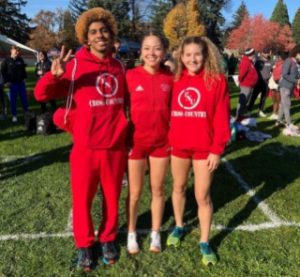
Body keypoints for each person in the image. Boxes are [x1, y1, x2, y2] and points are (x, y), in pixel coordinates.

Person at [34, 8, 128, 271]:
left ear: (111, 35)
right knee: (82, 201)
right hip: (86, 149)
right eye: (94, 32)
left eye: (104, 31)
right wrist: (53, 75)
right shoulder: (74, 66)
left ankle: (108, 239)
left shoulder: (120, 66)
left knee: (112, 198)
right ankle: (85, 245)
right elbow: (41, 96)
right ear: (86, 38)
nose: (100, 36)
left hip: (115, 148)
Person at [166, 36, 230, 266]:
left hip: (205, 149)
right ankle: (180, 225)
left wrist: (217, 149)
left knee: (202, 195)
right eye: (188, 54)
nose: (192, 59)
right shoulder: (174, 79)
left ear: (205, 55)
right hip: (179, 146)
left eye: (197, 54)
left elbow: (222, 118)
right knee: (178, 187)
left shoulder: (216, 81)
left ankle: (204, 241)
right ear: (181, 57)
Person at [126, 33, 173, 254]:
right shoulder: (130, 76)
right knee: (135, 192)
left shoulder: (170, 78)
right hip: (137, 143)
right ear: (141, 52)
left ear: (164, 52)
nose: (151, 53)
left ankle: (156, 233)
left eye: (156, 49)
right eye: (146, 48)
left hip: (161, 144)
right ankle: (131, 232)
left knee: (158, 189)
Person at [0, 45, 28, 122]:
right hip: (12, 83)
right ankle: (14, 115)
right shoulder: (6, 60)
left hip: (21, 82)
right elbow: (3, 72)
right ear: (11, 51)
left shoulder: (20, 59)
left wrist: (24, 78)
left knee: (24, 98)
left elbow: (23, 70)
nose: (17, 52)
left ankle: (26, 112)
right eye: (16, 51)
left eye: (18, 51)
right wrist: (6, 81)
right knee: (13, 100)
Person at [277, 45, 300, 131]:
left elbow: (295, 74)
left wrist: (297, 80)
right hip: (285, 86)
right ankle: (289, 123)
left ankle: (278, 121)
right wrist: (296, 81)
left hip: (290, 87)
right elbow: (284, 74)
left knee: (283, 105)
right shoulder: (288, 61)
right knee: (287, 104)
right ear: (297, 53)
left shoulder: (296, 63)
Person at [247, 48, 273, 117]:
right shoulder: (258, 61)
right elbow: (254, 71)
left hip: (266, 82)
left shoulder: (270, 61)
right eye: (265, 53)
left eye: (267, 53)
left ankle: (260, 110)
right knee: (253, 97)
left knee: (263, 97)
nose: (267, 54)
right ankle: (249, 111)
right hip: (258, 82)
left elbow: (272, 70)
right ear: (262, 53)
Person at [235, 48, 258, 121]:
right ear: (250, 54)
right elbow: (242, 74)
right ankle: (238, 116)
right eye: (253, 54)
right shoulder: (246, 62)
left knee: (245, 101)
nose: (254, 55)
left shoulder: (249, 61)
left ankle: (241, 115)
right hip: (246, 85)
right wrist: (240, 81)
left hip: (249, 85)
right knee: (242, 101)